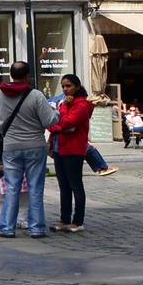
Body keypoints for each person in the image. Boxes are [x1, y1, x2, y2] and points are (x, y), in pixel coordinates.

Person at [0, 61, 60, 239]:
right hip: (35, 145)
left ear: (11, 75)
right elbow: (49, 121)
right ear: (28, 75)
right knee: (35, 187)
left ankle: (6, 227)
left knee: (12, 187)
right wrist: (57, 113)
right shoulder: (36, 95)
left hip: (10, 146)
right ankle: (36, 228)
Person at [48, 75, 95, 234]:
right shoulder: (66, 104)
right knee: (64, 186)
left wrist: (58, 120)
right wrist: (57, 125)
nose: (65, 89)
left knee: (75, 185)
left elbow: (66, 123)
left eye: (68, 86)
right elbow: (57, 123)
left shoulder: (81, 105)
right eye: (63, 86)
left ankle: (78, 221)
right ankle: (64, 218)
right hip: (59, 148)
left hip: (73, 149)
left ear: (77, 86)